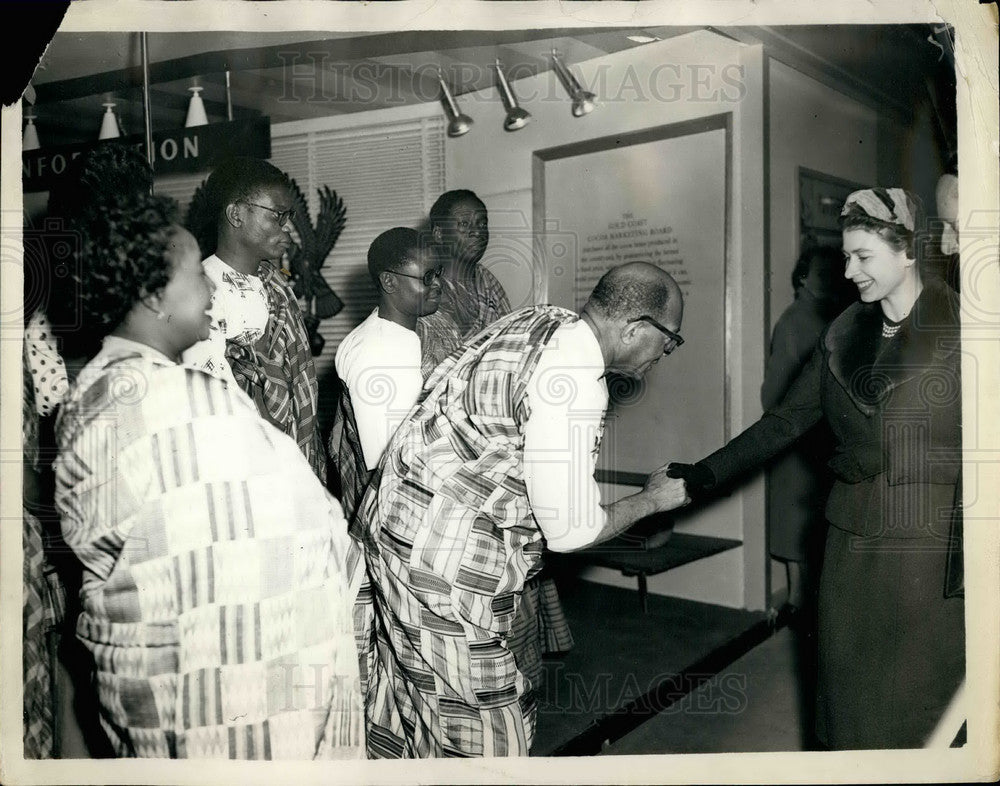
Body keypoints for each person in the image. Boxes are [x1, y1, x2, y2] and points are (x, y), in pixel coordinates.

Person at [53, 191, 363, 759]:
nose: (213, 286)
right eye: (198, 273)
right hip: (210, 683)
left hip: (148, 677)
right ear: (154, 296)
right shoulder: (174, 399)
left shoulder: (93, 389)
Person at [354, 262, 691, 757]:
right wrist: (652, 500)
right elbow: (572, 532)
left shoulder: (541, 319)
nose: (666, 352)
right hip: (443, 568)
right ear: (636, 328)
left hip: (394, 534)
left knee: (412, 711)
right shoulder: (575, 379)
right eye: (670, 340)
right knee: (490, 741)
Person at [668, 188, 963, 749]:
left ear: (906, 254)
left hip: (930, 551)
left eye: (862, 257)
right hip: (851, 548)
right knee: (847, 703)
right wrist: (700, 475)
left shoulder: (967, 327)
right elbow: (783, 423)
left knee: (920, 708)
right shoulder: (842, 335)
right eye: (845, 256)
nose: (848, 271)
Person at [416, 189, 574, 695]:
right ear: (438, 233)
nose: (479, 231)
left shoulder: (489, 284)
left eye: (483, 223)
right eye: (466, 224)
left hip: (497, 436)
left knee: (516, 582)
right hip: (444, 449)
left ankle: (518, 689)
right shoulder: (424, 287)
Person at [183, 157, 326, 482]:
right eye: (278, 216)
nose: (287, 228)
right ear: (236, 214)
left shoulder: (274, 284)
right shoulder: (202, 289)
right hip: (248, 469)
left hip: (298, 457)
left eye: (288, 217)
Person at [762, 245, 853, 612]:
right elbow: (778, 390)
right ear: (802, 277)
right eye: (820, 272)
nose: (829, 279)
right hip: (799, 438)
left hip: (821, 437)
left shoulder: (827, 316)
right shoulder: (793, 321)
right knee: (793, 519)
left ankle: (806, 598)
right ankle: (797, 597)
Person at [330, 226, 443, 517]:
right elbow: (388, 470)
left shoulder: (401, 332)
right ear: (390, 282)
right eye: (427, 277)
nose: (439, 284)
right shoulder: (375, 354)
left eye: (438, 272)